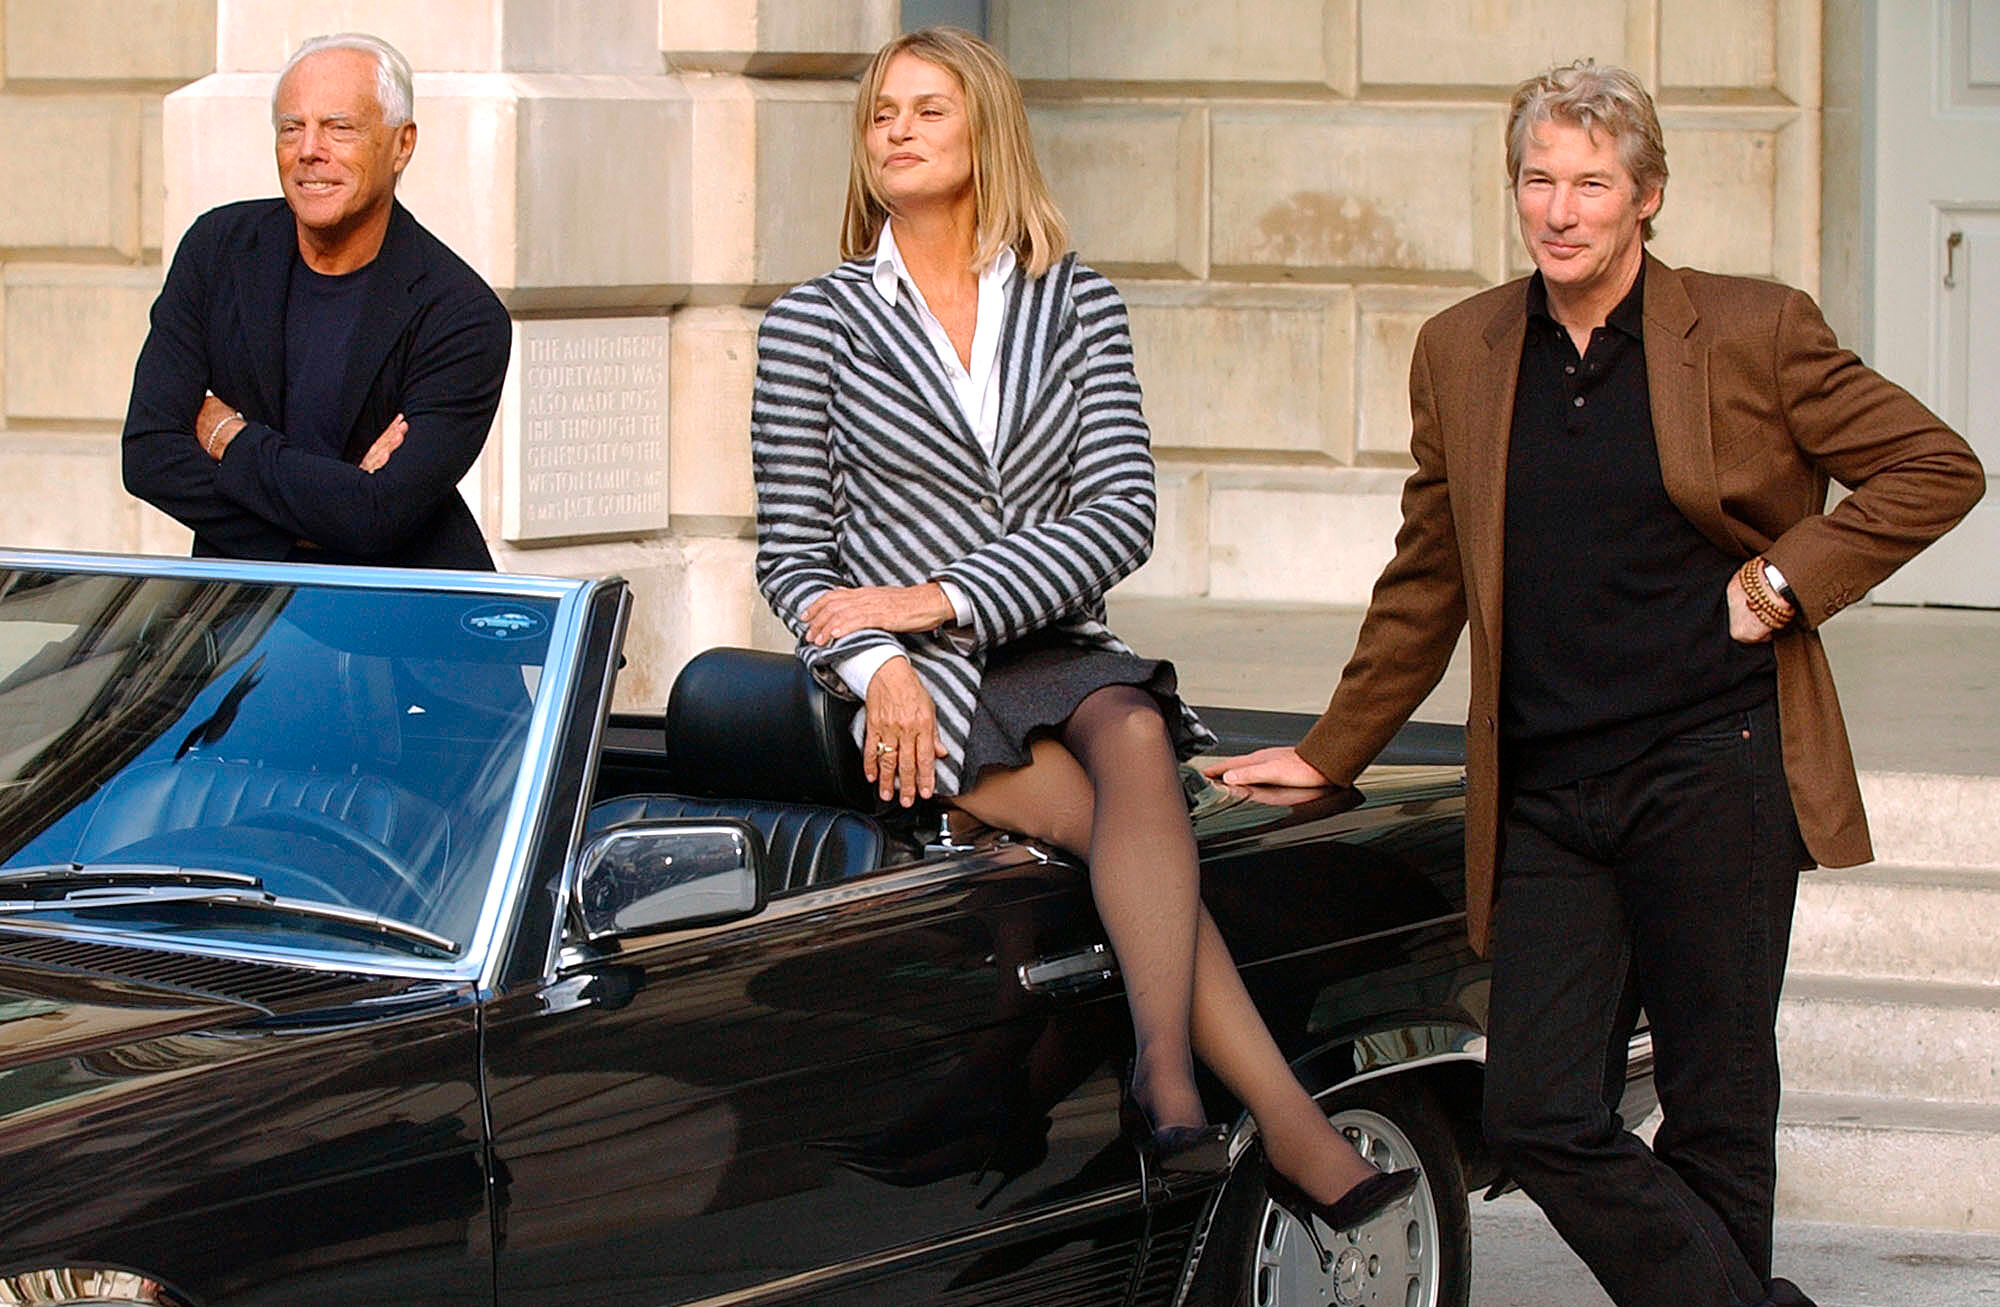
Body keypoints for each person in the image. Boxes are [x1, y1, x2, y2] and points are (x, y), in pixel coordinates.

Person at [1205, 60, 1984, 1307]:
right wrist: (1332, 745)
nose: (1559, 210)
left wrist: (1781, 581)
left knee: (1717, 1102)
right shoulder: (1460, 348)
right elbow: (1428, 572)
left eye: (1590, 183)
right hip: (1548, 791)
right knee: (1534, 1107)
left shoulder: (1748, 327)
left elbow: (1932, 468)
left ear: (1645, 197)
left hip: (1712, 765)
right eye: (1536, 180)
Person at [751, 25, 1415, 1245]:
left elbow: (1120, 514)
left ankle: (1164, 1075)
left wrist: (940, 592)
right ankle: (1242, 1112)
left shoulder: (1074, 301)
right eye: (881, 113)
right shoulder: (812, 324)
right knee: (1120, 810)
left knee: (1128, 721)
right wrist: (883, 655)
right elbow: (794, 559)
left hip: (1048, 640)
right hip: (919, 682)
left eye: (926, 109)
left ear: (985, 130)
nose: (895, 129)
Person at [122, 32, 509, 570]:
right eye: (291, 128)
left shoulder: (460, 314)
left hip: (397, 628)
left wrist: (229, 437)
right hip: (241, 622)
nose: (309, 150)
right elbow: (148, 456)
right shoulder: (219, 251)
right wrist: (336, 512)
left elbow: (381, 516)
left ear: (402, 144)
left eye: (339, 128)